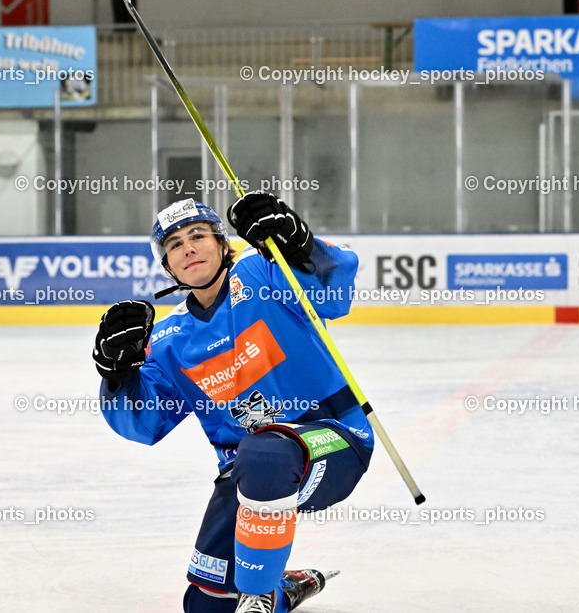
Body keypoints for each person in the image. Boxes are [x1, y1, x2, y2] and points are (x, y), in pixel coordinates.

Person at [93, 193, 374, 613]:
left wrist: (300, 244)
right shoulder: (170, 342)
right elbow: (143, 424)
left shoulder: (261, 270)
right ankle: (283, 589)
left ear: (224, 245)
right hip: (247, 475)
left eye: (197, 235)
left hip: (334, 443)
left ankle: (259, 588)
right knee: (206, 607)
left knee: (266, 450)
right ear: (167, 266)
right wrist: (116, 374)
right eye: (173, 245)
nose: (187, 247)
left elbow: (335, 294)